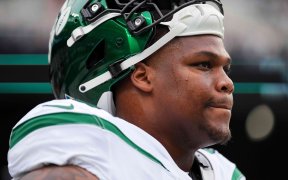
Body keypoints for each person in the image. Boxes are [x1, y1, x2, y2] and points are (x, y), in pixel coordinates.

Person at [8, 0, 245, 179]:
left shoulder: (223, 173)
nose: (227, 82)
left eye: (225, 68)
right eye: (203, 64)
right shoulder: (89, 144)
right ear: (142, 76)